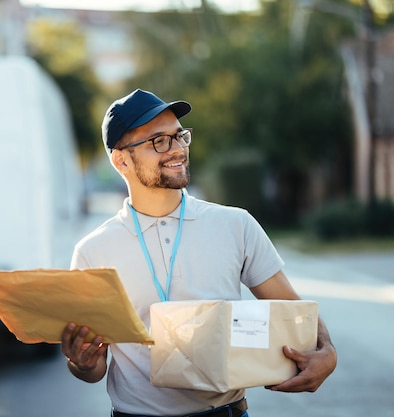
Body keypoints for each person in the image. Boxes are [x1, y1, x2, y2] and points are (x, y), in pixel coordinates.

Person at [60, 89, 337, 417]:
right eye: (158, 141)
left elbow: (293, 308)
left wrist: (327, 352)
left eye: (179, 136)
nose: (177, 149)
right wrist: (81, 362)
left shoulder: (235, 225)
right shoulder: (94, 251)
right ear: (121, 160)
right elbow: (93, 371)